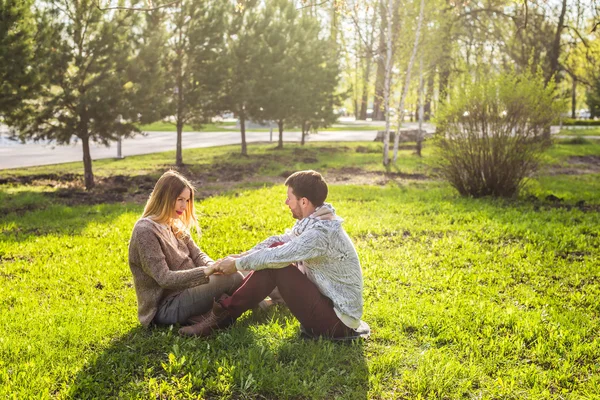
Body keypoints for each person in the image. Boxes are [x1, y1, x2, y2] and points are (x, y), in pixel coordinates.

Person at [179, 170, 367, 339]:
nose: (286, 202)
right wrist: (242, 256)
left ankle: (220, 318)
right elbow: (281, 241)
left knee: (275, 267)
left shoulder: (320, 234)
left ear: (304, 201)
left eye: (289, 198)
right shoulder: (316, 220)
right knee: (275, 251)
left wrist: (237, 265)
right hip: (328, 307)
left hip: (336, 324)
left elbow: (277, 256)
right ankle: (221, 313)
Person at [128, 170, 243, 327]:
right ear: (164, 197)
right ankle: (263, 305)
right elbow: (164, 278)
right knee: (234, 277)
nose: (184, 205)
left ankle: (213, 314)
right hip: (166, 307)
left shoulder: (174, 223)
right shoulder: (145, 231)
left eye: (187, 200)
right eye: (180, 199)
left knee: (237, 269)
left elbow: (197, 254)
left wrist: (213, 265)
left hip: (190, 290)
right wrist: (206, 272)